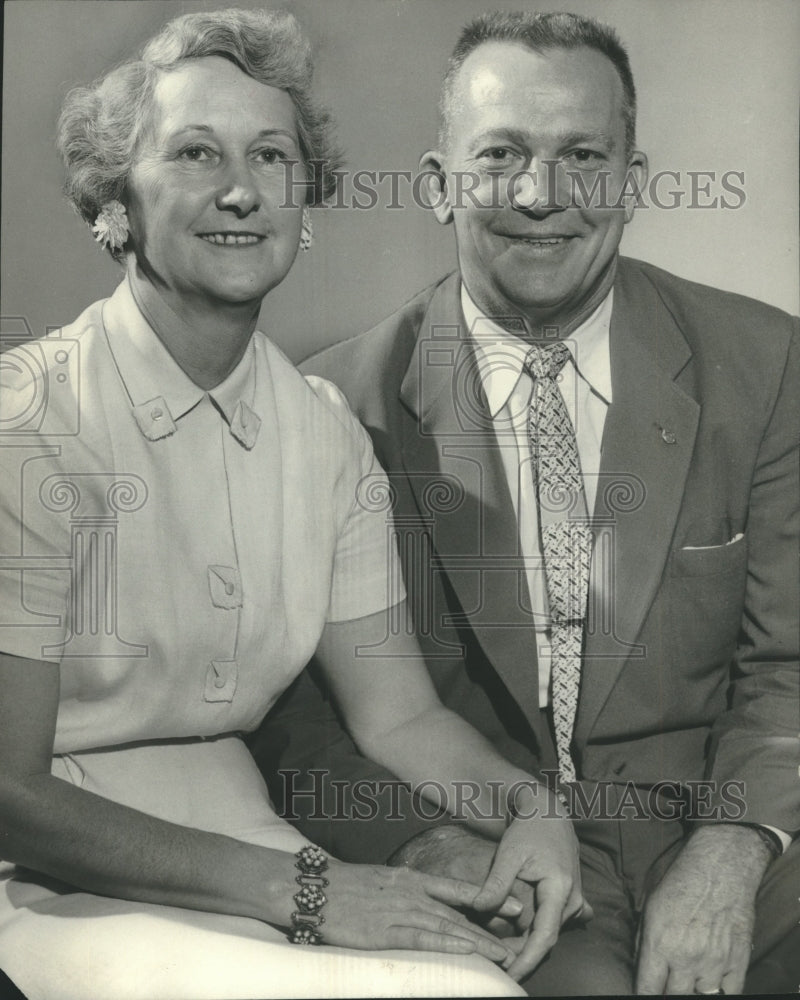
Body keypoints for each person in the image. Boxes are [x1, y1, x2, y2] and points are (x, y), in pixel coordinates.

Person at [0, 8, 612, 999]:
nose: (241, 189)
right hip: (56, 873)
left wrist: (528, 806)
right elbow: (7, 792)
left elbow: (400, 717)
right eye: (194, 152)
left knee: (483, 990)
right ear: (114, 203)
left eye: (272, 156)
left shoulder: (322, 431)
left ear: (305, 199)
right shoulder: (26, 421)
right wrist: (311, 890)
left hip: (255, 839)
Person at [255, 10, 800, 996]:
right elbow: (294, 709)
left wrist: (730, 851)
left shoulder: (763, 365)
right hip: (497, 851)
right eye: (499, 155)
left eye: (580, 157)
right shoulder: (333, 402)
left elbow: (788, 665)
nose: (540, 196)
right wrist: (428, 846)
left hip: (736, 829)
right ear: (436, 185)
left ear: (632, 184)